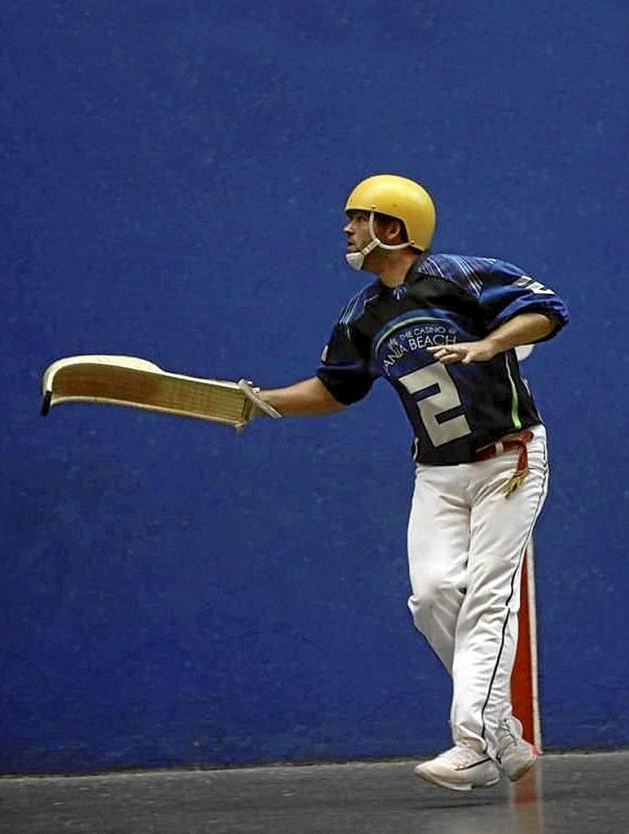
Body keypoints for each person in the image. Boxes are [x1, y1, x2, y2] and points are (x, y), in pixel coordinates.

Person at [257, 174, 570, 791]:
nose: (346, 230)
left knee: (487, 597)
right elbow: (334, 389)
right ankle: (500, 729)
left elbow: (546, 311)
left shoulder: (461, 275)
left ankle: (473, 743)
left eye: (357, 218)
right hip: (437, 472)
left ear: (391, 228)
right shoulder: (362, 316)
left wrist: (488, 343)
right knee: (430, 597)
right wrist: (262, 403)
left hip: (509, 457)